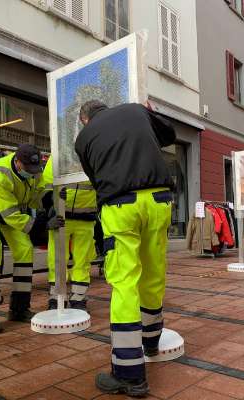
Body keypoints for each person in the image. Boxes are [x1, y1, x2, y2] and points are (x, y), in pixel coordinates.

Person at [75, 100, 175, 397]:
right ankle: (151, 342)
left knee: (124, 283)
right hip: (159, 200)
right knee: (154, 272)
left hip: (120, 207)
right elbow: (168, 135)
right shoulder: (136, 110)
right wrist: (151, 112)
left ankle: (129, 373)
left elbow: (96, 181)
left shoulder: (84, 139)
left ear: (85, 119)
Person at [0, 144, 64, 333]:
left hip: (10, 208)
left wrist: (50, 202)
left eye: (35, 170)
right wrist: (42, 225)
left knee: (24, 249)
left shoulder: (33, 170)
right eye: (29, 170)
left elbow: (36, 194)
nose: (33, 173)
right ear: (17, 162)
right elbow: (11, 216)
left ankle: (19, 308)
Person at [42, 157, 97, 310]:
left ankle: (78, 297)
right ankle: (56, 297)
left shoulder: (92, 154)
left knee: (83, 259)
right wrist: (50, 209)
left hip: (86, 216)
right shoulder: (59, 155)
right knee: (57, 258)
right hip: (61, 216)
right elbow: (46, 185)